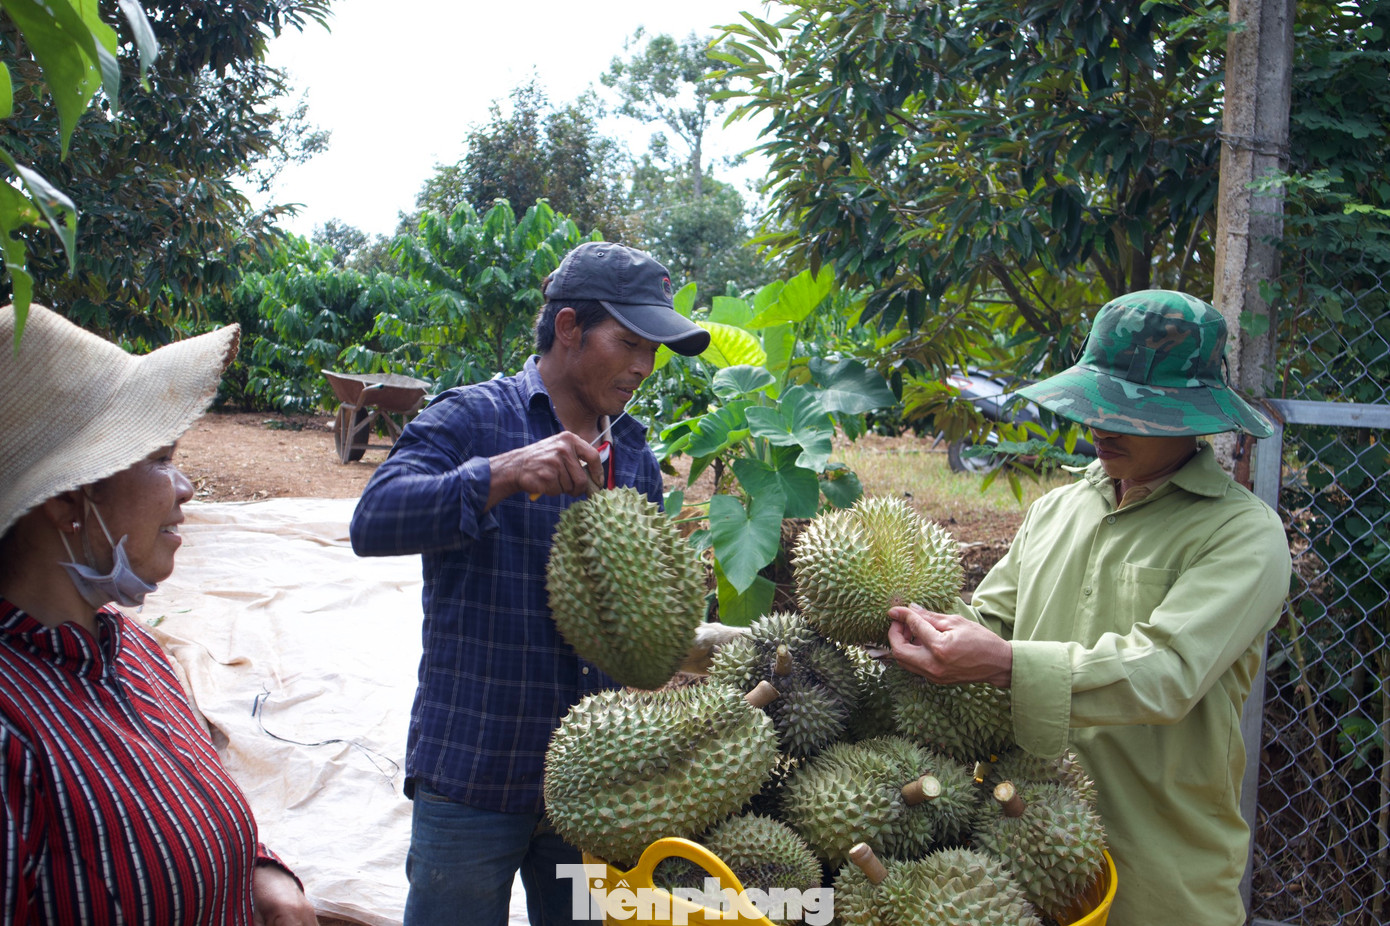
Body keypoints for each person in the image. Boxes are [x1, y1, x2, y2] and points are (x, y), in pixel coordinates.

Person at [887, 290, 1292, 926]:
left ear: (1193, 420)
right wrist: (914, 614)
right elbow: (989, 621)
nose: (1102, 423)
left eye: (1130, 411)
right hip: (1021, 839)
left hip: (1158, 867)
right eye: (1097, 404)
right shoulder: (1059, 508)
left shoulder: (1243, 535)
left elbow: (1165, 672)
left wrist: (1004, 663)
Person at [349, 241, 711, 925]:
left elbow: (643, 611)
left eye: (653, 350)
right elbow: (373, 521)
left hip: (595, 785)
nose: (643, 366)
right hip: (476, 766)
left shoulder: (632, 452)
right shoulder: (472, 418)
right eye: (630, 342)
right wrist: (499, 474)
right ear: (568, 328)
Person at [0, 305, 318, 925]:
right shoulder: (11, 734)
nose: (185, 487)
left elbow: (183, 802)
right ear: (70, 496)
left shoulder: (134, 648)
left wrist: (264, 873)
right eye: (161, 457)